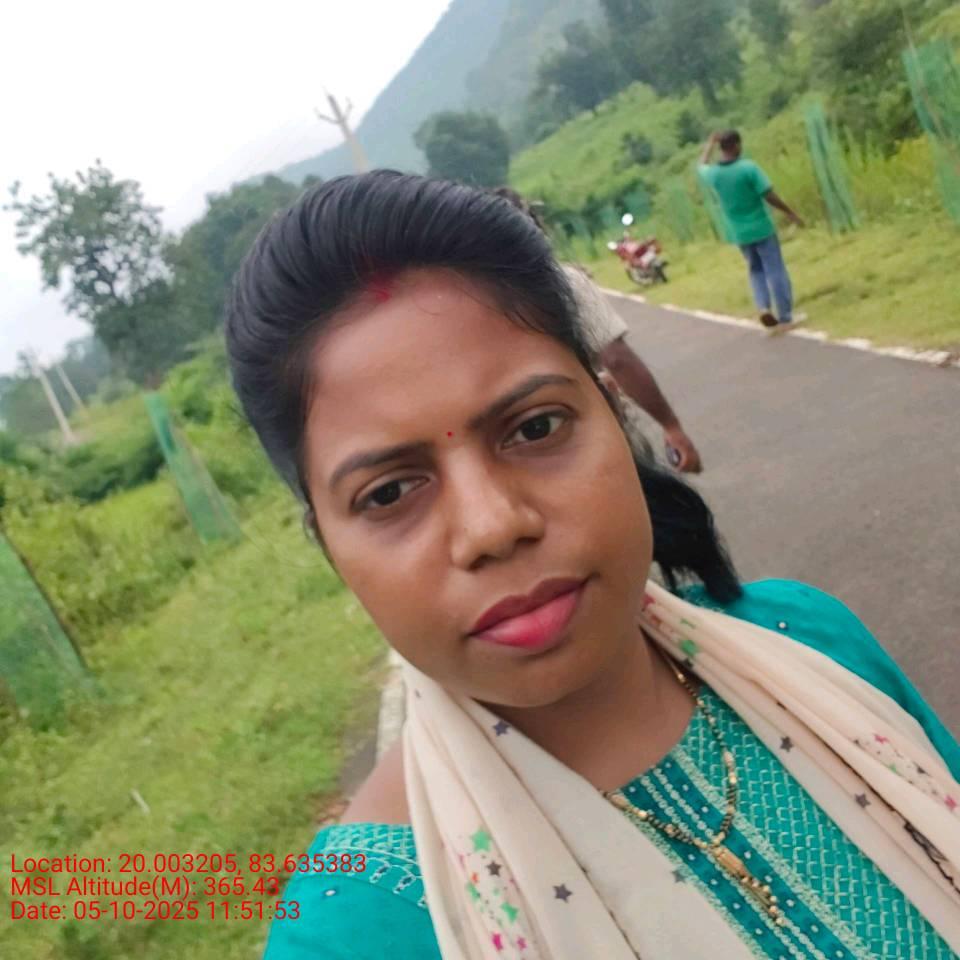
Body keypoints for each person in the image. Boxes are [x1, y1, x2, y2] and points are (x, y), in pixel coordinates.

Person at [226, 171, 960, 960]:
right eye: (390, 492)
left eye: (535, 427)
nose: (492, 527)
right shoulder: (355, 930)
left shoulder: (812, 644)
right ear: (330, 548)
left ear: (612, 414)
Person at [491, 186, 702, 473]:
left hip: (514, 458)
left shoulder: (473, 304)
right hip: (589, 434)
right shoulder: (564, 283)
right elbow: (616, 359)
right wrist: (672, 426)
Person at [698, 130, 805, 334]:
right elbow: (769, 195)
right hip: (761, 228)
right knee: (775, 269)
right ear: (736, 146)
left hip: (739, 233)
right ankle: (785, 317)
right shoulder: (748, 168)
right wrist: (790, 212)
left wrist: (709, 144)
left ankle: (763, 307)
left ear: (721, 148)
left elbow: (701, 165)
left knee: (756, 271)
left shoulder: (713, 174)